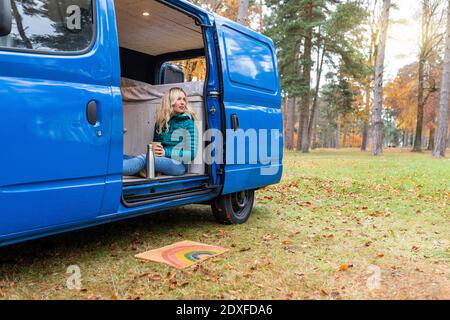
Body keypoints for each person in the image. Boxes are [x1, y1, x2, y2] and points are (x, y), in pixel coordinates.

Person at [123, 87, 197, 177]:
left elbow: (191, 154)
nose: (183, 103)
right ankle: (146, 170)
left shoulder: (188, 123)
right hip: (161, 160)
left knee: (144, 159)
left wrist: (165, 152)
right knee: (125, 157)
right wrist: (154, 148)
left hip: (178, 165)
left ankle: (106, 172)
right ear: (170, 102)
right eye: (179, 99)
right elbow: (156, 145)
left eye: (184, 100)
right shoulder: (160, 123)